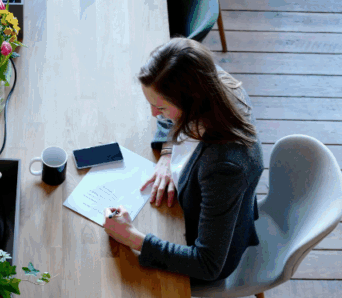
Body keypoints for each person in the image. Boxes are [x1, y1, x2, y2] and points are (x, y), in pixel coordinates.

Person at [103, 38, 263, 284]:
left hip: (203, 252)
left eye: (161, 108)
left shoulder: (224, 167)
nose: (154, 115)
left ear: (192, 103)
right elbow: (170, 120)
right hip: (191, 209)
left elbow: (207, 264)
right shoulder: (207, 79)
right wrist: (168, 154)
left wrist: (132, 237)